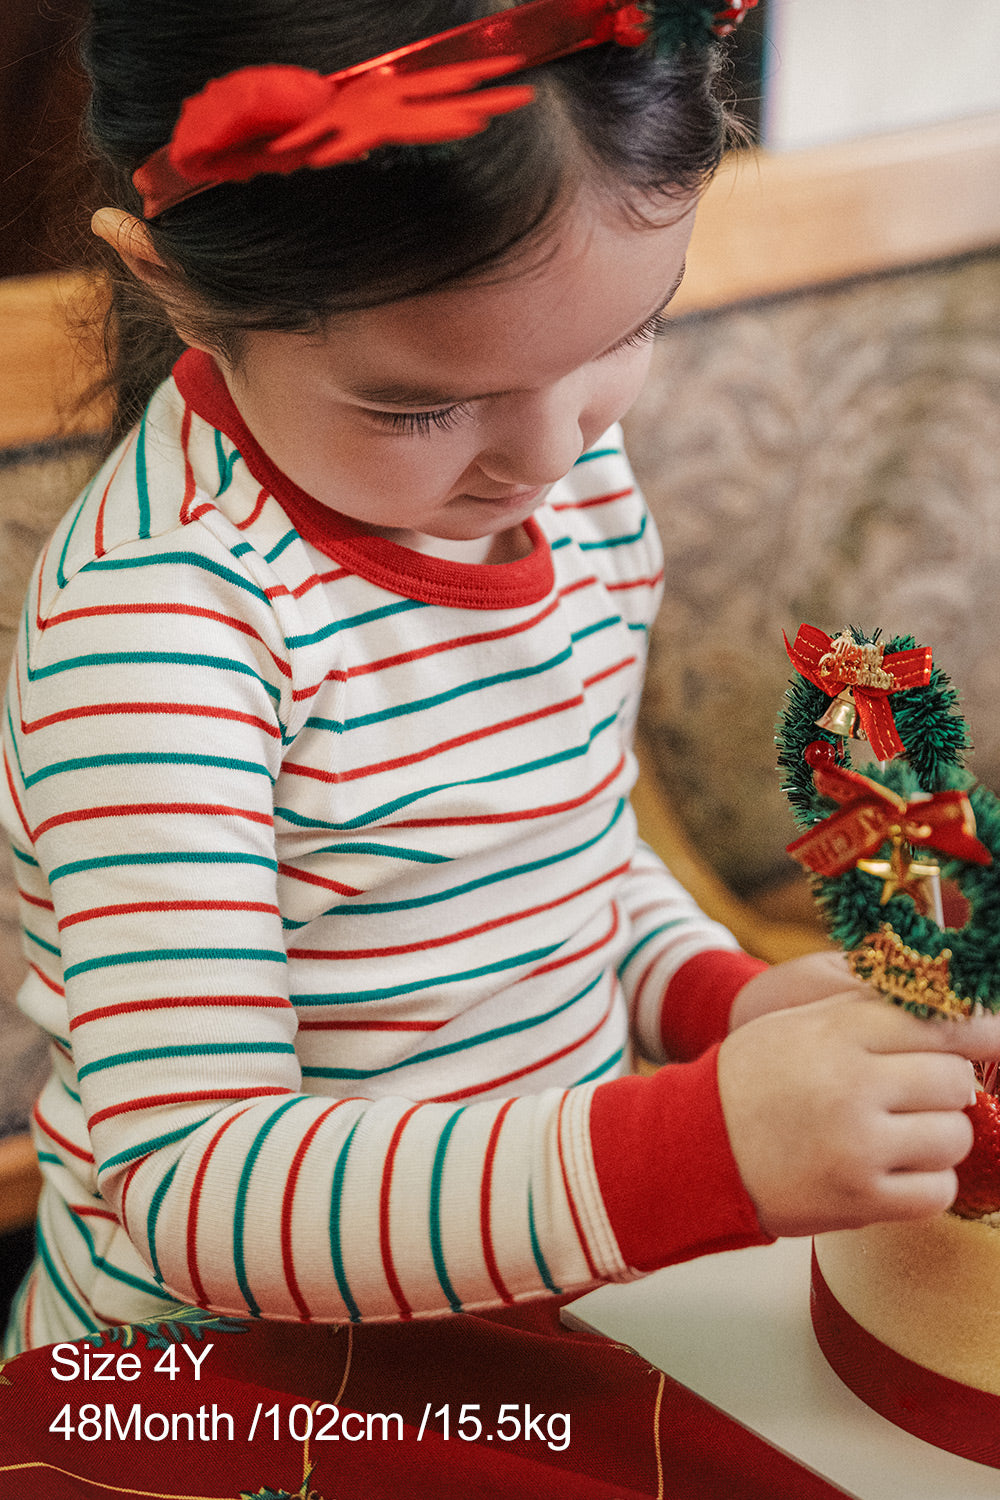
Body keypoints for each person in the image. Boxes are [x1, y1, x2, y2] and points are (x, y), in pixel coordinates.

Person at [3, 0, 995, 1394]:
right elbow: (198, 1188)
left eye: (622, 337)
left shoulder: (563, 469)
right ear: (171, 284)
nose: (543, 455)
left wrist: (718, 1005)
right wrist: (705, 1145)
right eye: (419, 405)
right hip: (224, 1390)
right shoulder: (160, 637)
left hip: (539, 1307)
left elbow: (567, 847)